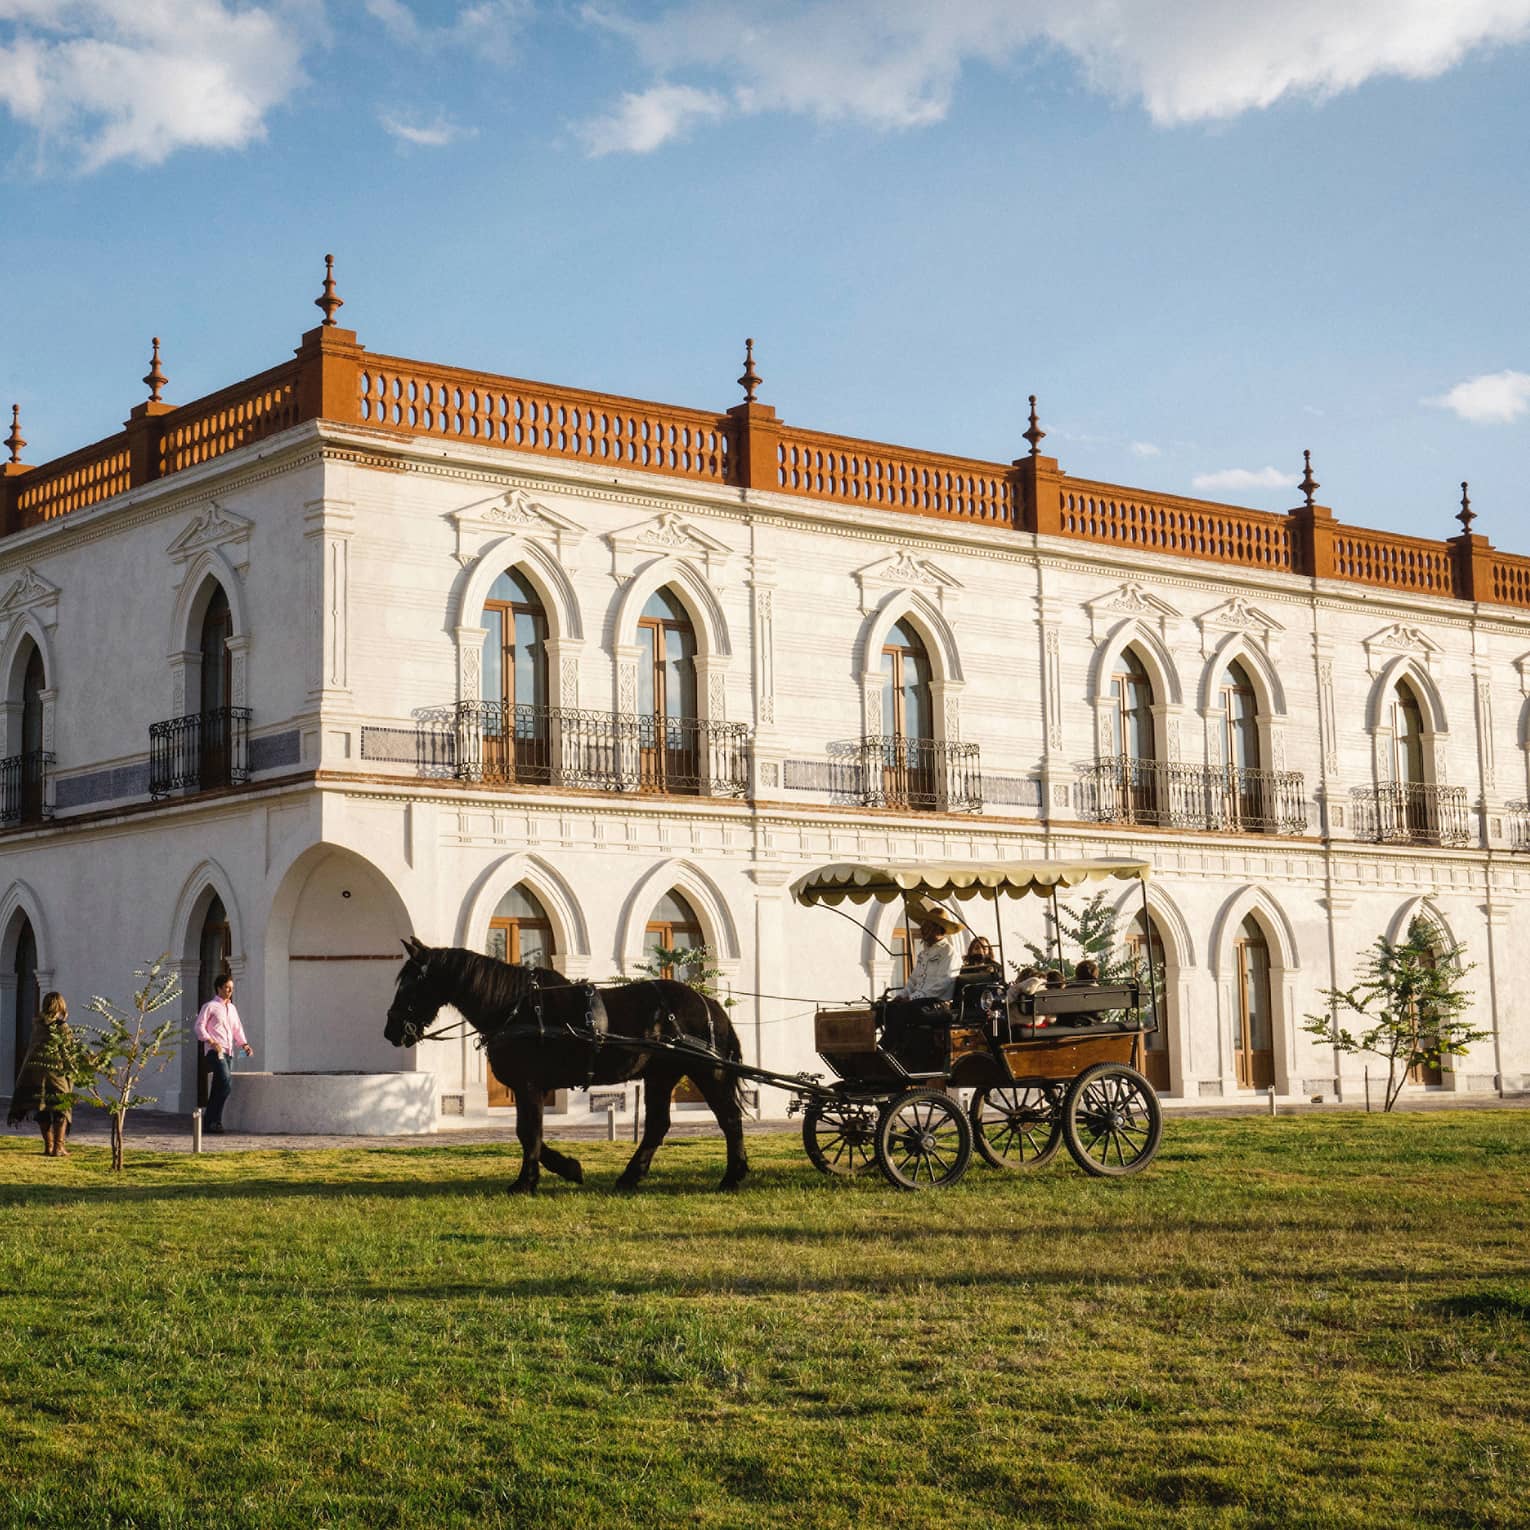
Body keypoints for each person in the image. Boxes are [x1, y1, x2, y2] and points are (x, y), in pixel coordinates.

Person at [881, 911, 961, 1055]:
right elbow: (913, 981)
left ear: (937, 929)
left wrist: (912, 998)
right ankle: (874, 1048)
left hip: (938, 1005)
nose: (922, 929)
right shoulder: (924, 954)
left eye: (926, 925)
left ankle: (886, 1049)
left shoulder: (949, 953)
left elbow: (942, 983)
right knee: (884, 1009)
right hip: (919, 1003)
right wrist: (901, 996)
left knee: (905, 1010)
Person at [7, 991, 76, 1156]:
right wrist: (73, 1071)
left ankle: (48, 1146)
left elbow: (33, 1050)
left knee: (43, 1108)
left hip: (34, 1075)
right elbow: (67, 1054)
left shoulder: (37, 1026)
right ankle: (58, 1147)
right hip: (55, 1075)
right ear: (60, 1006)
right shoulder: (61, 1027)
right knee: (62, 1108)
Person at [193, 974, 253, 1134]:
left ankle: (209, 1122)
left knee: (219, 1086)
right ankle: (215, 1120)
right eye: (227, 987)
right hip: (214, 1051)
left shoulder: (232, 1008)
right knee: (225, 1084)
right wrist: (210, 1041)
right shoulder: (210, 1006)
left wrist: (244, 1044)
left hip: (229, 1052)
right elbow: (199, 1026)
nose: (230, 991)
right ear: (219, 988)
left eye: (231, 988)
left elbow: (236, 1029)